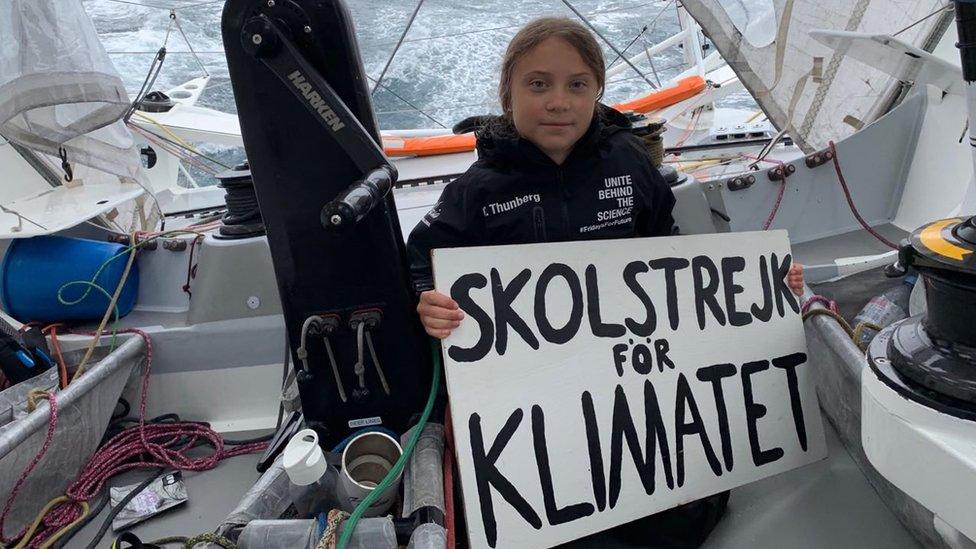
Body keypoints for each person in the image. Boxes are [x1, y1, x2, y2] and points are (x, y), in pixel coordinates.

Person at [405, 16, 804, 548]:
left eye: (577, 85)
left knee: (675, 519)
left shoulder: (630, 163)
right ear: (508, 92)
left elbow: (672, 254)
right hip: (529, 394)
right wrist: (423, 302)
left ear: (597, 91)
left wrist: (761, 288)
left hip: (630, 381)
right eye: (538, 84)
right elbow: (416, 265)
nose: (558, 102)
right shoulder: (474, 191)